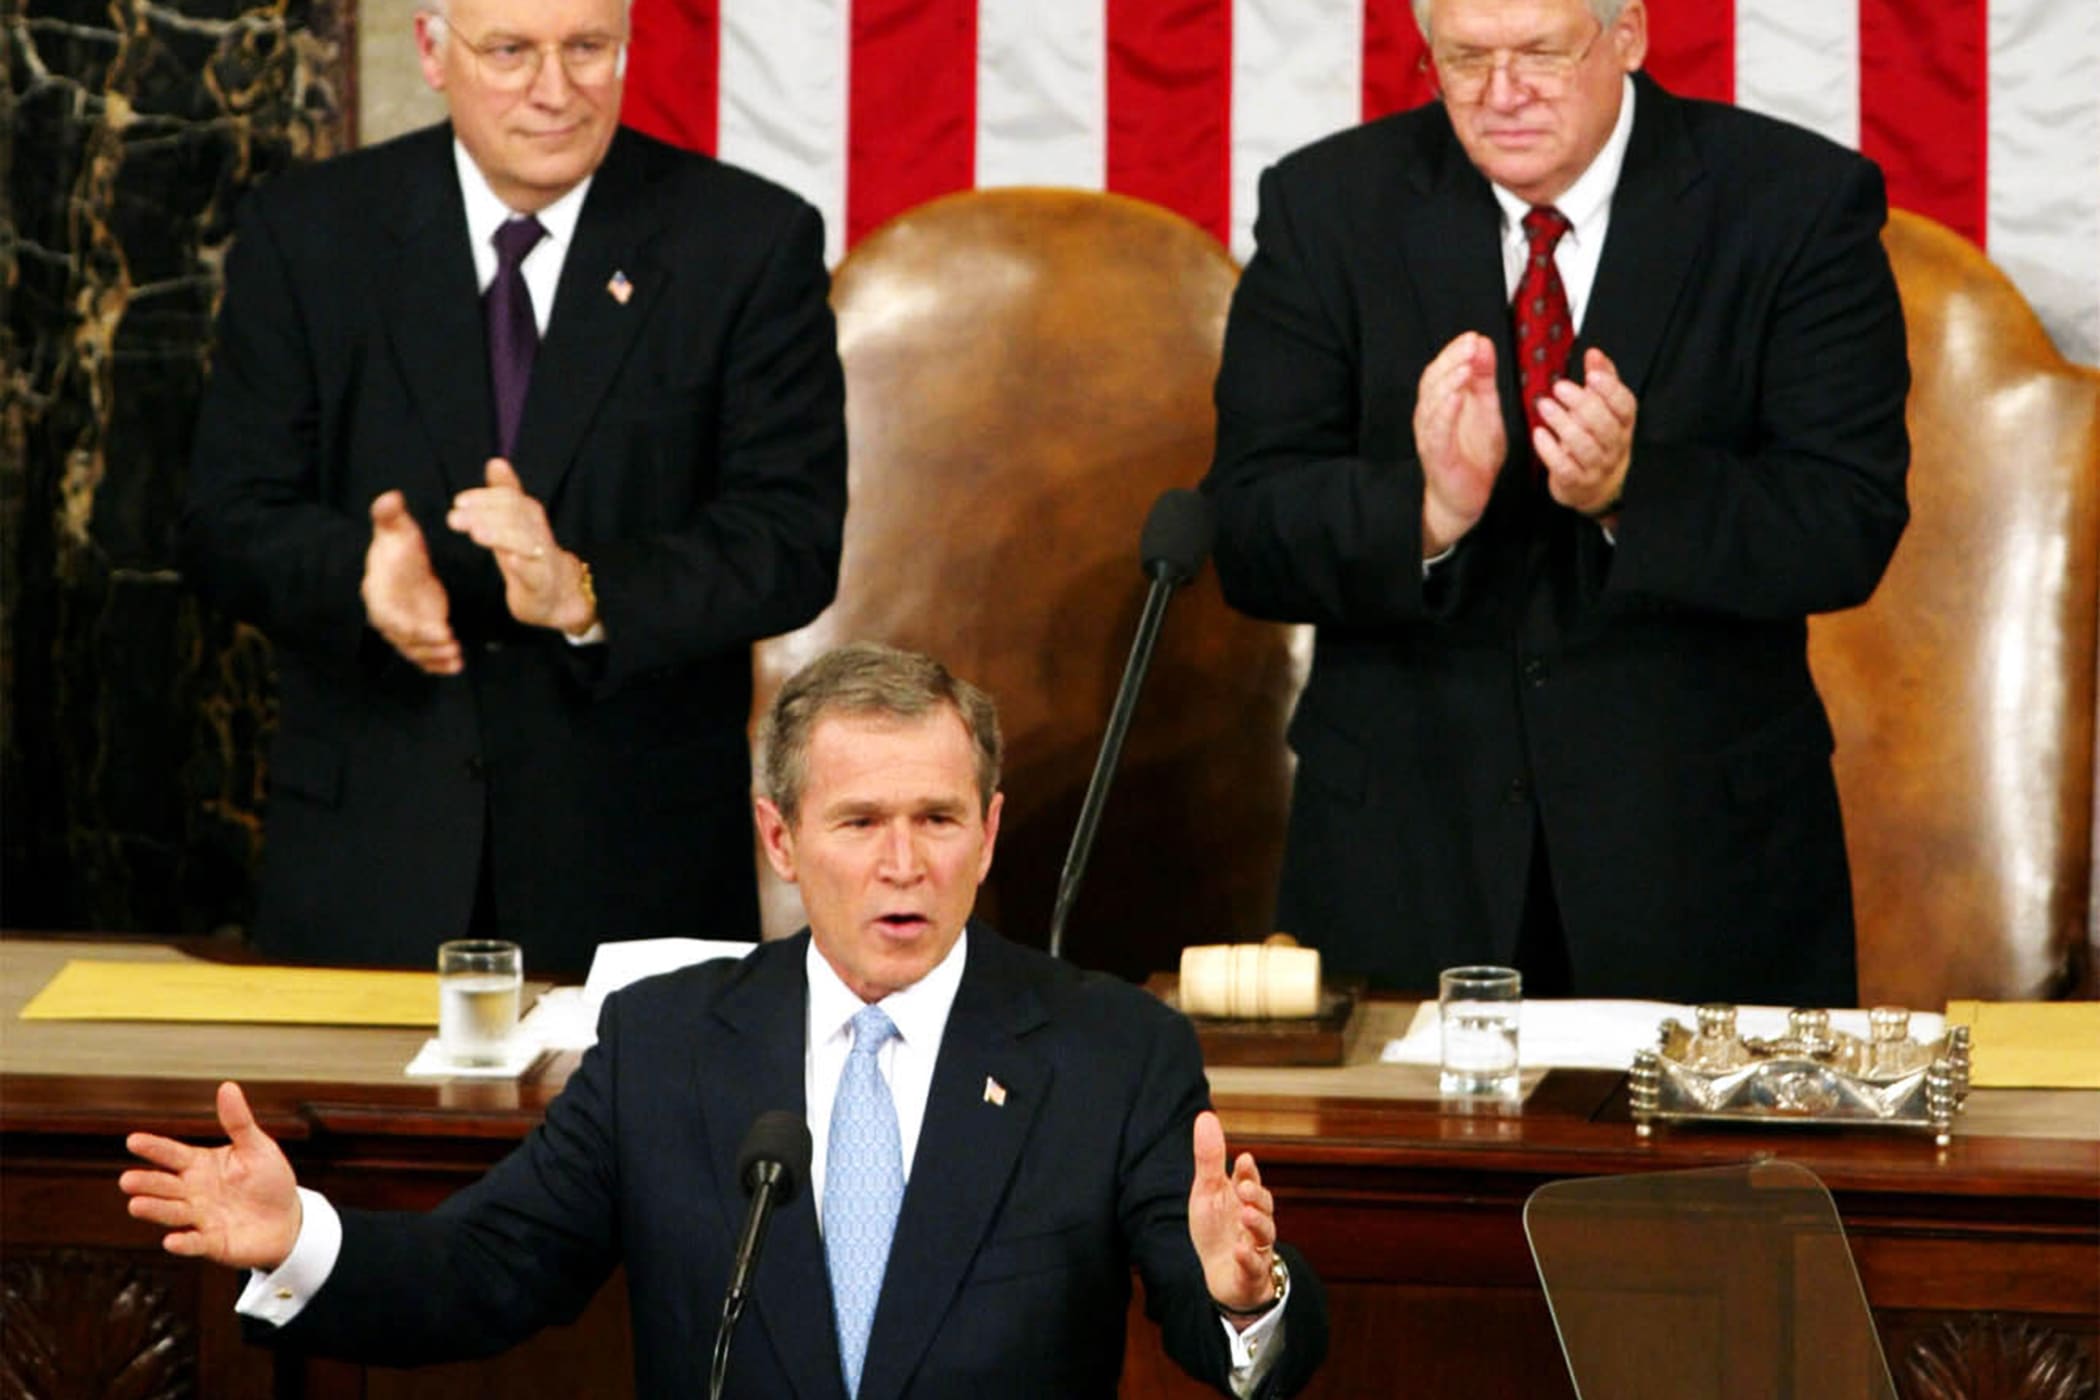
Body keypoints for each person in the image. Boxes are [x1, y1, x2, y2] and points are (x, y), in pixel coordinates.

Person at [120, 643, 1330, 1399]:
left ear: (992, 832)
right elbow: (486, 1272)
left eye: (938, 818)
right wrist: (300, 1238)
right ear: (779, 839)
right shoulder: (664, 1041)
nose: (903, 863)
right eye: (859, 821)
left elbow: (1222, 1322)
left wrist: (1242, 1291)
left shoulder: (1110, 1049)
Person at [1201, 0, 1910, 1006]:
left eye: (1539, 52)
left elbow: (1848, 519)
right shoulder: (1329, 205)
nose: (1502, 93)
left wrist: (1633, 490)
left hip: (1699, 871)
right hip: (1406, 858)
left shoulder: (1793, 202)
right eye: (1465, 58)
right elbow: (1247, 526)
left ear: (1628, 36)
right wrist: (1428, 513)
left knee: (1707, 1176)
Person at [180, 0, 847, 976]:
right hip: (370, 856)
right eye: (511, 51)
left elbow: (788, 540)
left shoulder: (745, 242)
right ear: (432, 52)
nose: (554, 88)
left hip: (632, 861)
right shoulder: (310, 232)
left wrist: (588, 590)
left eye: (587, 49)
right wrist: (360, 579)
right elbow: (224, 519)